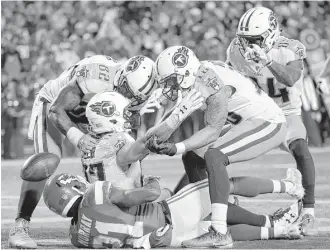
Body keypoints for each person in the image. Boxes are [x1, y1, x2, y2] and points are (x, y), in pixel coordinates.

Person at [147, 45, 293, 248]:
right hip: (246, 123)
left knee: (214, 156)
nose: (169, 86)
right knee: (192, 158)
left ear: (185, 73)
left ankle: (219, 231)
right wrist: (154, 136)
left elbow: (213, 130)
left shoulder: (210, 80)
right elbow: (171, 120)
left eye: (171, 80)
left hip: (268, 122)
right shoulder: (195, 76)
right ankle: (219, 210)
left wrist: (177, 146)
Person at [8, 55, 158, 249]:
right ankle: (20, 226)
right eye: (126, 89)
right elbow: (56, 110)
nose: (127, 95)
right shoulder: (96, 75)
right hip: (54, 106)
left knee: (106, 164)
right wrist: (78, 138)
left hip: (91, 118)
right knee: (47, 161)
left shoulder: (138, 95)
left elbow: (128, 138)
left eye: (133, 95)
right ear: (122, 76)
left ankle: (101, 216)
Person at [226, 6, 316, 235]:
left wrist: (267, 62)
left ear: (272, 33)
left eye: (255, 39)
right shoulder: (236, 51)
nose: (249, 45)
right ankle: (220, 196)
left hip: (286, 115)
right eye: (245, 40)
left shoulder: (291, 48)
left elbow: (290, 78)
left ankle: (308, 211)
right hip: (256, 113)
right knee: (214, 149)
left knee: (301, 150)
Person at [43, 171, 304, 249]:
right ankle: (289, 186)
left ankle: (280, 228)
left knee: (222, 230)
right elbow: (152, 194)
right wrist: (151, 180)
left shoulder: (76, 238)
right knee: (224, 186)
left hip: (164, 240)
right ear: (74, 187)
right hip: (169, 214)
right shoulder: (94, 193)